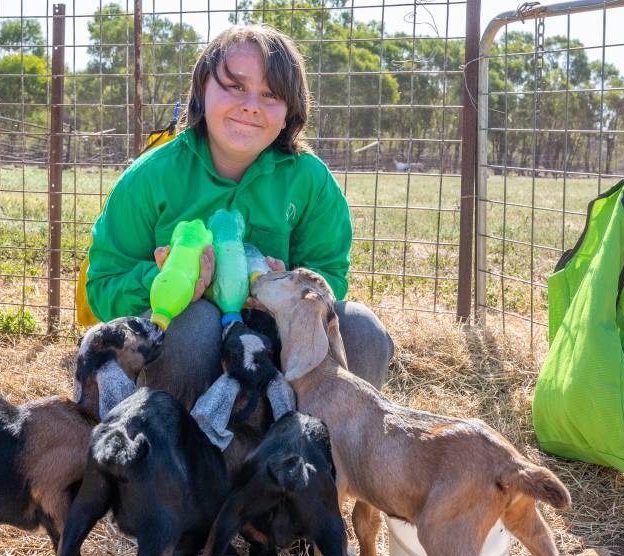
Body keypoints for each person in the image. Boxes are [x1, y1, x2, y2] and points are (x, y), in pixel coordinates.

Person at [86, 24, 394, 406]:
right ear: (201, 90)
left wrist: (290, 290)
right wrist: (162, 278)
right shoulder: (148, 178)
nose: (251, 105)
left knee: (362, 330)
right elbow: (102, 288)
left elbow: (330, 275)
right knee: (194, 324)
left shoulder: (311, 180)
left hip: (282, 343)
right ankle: (182, 451)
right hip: (181, 356)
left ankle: (321, 452)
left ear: (289, 113)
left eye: (270, 94)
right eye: (235, 86)